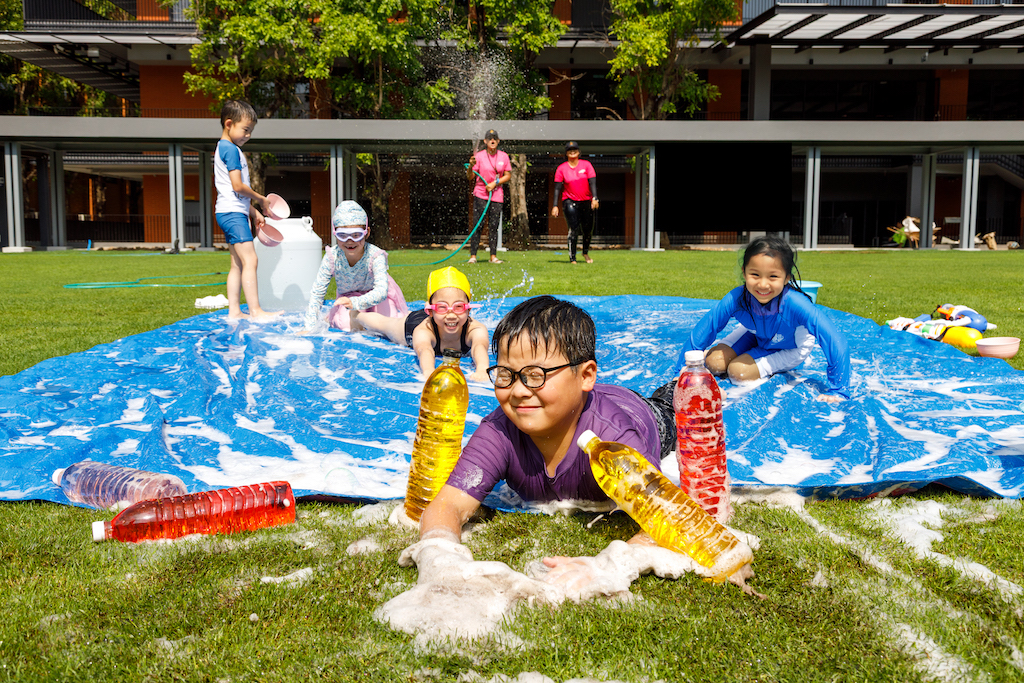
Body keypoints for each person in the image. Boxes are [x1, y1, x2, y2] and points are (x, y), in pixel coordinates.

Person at [417, 295, 677, 546]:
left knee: (673, 406)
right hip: (584, 400)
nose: (518, 391)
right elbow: (448, 504)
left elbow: (666, 518)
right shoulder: (499, 431)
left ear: (585, 375)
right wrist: (439, 552)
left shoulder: (615, 439)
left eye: (535, 374)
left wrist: (608, 566)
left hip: (641, 413)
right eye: (506, 374)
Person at [676, 235, 850, 402]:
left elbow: (833, 339)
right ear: (744, 273)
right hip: (755, 333)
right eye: (755, 275)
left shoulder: (796, 304)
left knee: (738, 372)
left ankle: (744, 360)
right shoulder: (738, 298)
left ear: (786, 278)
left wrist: (838, 390)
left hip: (791, 347)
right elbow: (706, 328)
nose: (763, 284)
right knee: (713, 363)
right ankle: (722, 356)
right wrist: (681, 373)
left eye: (773, 276)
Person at [351, 266, 490, 382]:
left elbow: (480, 346)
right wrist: (429, 371)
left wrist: (482, 369)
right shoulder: (423, 330)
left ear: (468, 309)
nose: (451, 315)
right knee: (384, 325)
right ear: (430, 310)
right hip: (414, 324)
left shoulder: (475, 329)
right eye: (442, 307)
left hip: (437, 317)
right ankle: (357, 315)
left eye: (458, 307)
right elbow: (425, 350)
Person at [213, 99, 282, 322]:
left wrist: (253, 212)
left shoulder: (225, 148)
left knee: (237, 264)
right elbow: (237, 186)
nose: (248, 135)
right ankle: (256, 311)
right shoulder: (231, 150)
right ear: (229, 124)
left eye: (250, 130)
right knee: (251, 260)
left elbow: (231, 191)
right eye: (245, 129)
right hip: (233, 214)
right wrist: (261, 199)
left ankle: (235, 311)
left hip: (229, 212)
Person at [302, 201, 408, 332]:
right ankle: (335, 315)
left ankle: (355, 313)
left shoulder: (375, 256)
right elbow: (317, 293)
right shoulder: (332, 257)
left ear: (366, 233)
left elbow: (381, 291)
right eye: (342, 235)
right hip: (348, 297)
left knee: (388, 322)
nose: (350, 241)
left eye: (356, 235)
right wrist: (309, 327)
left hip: (375, 296)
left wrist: (356, 303)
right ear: (335, 233)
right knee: (346, 326)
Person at [466, 129, 510, 264]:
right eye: (490, 138)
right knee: (478, 225)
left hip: (496, 194)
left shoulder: (504, 156)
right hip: (481, 193)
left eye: (495, 138)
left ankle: (493, 256)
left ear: (498, 141)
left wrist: (495, 183)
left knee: (493, 225)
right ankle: (473, 256)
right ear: (485, 141)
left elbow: (508, 175)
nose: (492, 140)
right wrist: (470, 166)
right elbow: (470, 177)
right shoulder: (478, 156)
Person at [551, 141, 599, 265]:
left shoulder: (587, 165)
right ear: (566, 153)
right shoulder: (562, 168)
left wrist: (595, 198)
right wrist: (555, 205)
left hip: (586, 201)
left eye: (575, 150)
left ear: (579, 152)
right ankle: (572, 258)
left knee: (588, 229)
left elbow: (592, 182)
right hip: (569, 201)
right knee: (574, 228)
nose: (572, 152)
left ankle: (585, 252)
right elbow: (557, 188)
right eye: (570, 150)